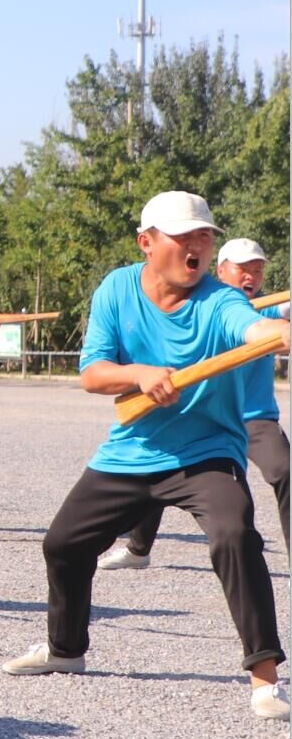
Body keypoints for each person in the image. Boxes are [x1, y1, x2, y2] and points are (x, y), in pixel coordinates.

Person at [0, 191, 290, 721]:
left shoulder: (221, 299)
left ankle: (265, 680)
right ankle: (67, 651)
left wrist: (280, 334)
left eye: (204, 236)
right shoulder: (116, 289)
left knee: (234, 534)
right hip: (132, 451)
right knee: (63, 543)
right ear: (147, 242)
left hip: (206, 452)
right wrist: (139, 374)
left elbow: (254, 330)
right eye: (184, 236)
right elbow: (91, 373)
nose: (197, 245)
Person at [99, 236, 291, 569]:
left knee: (286, 470)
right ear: (220, 269)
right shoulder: (200, 302)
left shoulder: (265, 307)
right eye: (243, 269)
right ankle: (139, 550)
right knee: (159, 465)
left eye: (258, 271)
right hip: (201, 416)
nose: (252, 277)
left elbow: (272, 322)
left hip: (254, 418)